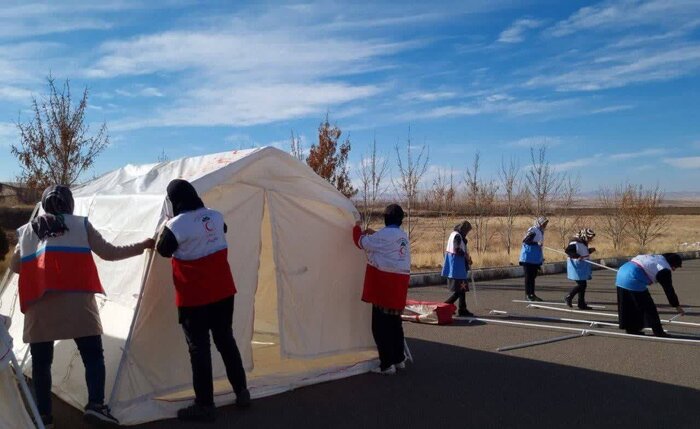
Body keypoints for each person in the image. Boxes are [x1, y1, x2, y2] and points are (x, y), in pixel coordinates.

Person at [10, 185, 154, 428]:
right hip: (78, 305)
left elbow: (15, 266)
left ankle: (44, 418)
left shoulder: (27, 231)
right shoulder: (81, 225)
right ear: (70, 203)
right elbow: (109, 252)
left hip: (40, 306)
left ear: (44, 203)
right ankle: (96, 406)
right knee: (93, 356)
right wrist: (143, 245)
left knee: (42, 363)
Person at [156, 179, 250, 422]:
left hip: (195, 297)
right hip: (223, 291)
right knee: (225, 340)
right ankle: (241, 390)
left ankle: (205, 404)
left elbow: (163, 249)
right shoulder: (216, 216)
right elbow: (223, 230)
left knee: (199, 349)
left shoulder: (176, 225)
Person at [352, 204, 410, 375]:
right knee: (395, 324)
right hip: (400, 285)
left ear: (386, 218)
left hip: (385, 285)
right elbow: (386, 244)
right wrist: (374, 233)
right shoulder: (403, 236)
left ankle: (386, 364)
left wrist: (357, 227)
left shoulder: (384, 236)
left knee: (379, 327)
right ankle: (399, 359)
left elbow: (360, 242)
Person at [615, 253, 685, 337]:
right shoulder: (664, 269)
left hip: (621, 273)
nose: (674, 270)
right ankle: (658, 332)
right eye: (675, 267)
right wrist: (677, 306)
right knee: (649, 307)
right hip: (633, 277)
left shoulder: (657, 257)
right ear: (672, 264)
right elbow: (669, 290)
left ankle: (631, 329)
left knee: (629, 305)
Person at [441, 221, 473, 317]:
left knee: (462, 289)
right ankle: (445, 305)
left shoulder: (454, 234)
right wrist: (466, 257)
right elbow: (457, 249)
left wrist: (467, 258)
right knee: (460, 290)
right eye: (467, 231)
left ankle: (462, 309)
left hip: (457, 266)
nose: (467, 233)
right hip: (457, 266)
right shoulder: (457, 236)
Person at [564, 228, 596, 310]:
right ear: (584, 236)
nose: (590, 240)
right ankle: (569, 296)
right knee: (582, 285)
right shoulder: (575, 242)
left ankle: (581, 303)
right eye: (589, 238)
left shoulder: (582, 242)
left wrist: (589, 251)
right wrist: (577, 256)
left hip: (581, 266)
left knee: (583, 285)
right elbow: (568, 251)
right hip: (576, 266)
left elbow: (582, 252)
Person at [519, 216, 548, 301]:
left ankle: (532, 294)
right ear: (539, 223)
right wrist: (536, 243)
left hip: (534, 258)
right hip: (527, 257)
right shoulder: (533, 230)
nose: (545, 225)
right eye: (544, 223)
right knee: (528, 277)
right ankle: (528, 294)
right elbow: (526, 240)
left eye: (545, 224)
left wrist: (541, 258)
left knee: (533, 277)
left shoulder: (540, 231)